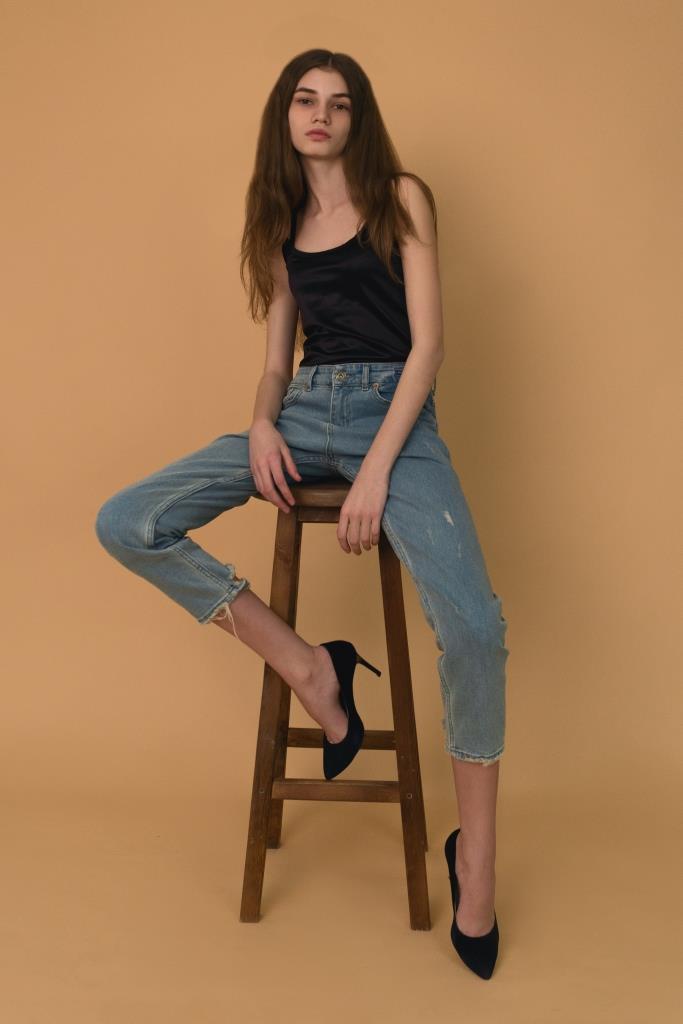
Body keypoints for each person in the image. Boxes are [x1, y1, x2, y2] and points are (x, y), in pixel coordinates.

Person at [95, 49, 509, 979]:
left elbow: (429, 346)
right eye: (305, 99)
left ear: (359, 121)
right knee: (128, 521)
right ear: (285, 116)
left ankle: (475, 864)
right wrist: (258, 422)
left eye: (340, 103)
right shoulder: (279, 223)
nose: (321, 114)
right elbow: (277, 359)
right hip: (299, 415)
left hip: (391, 416)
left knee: (475, 630)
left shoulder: (401, 196)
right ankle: (307, 665)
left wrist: (376, 473)